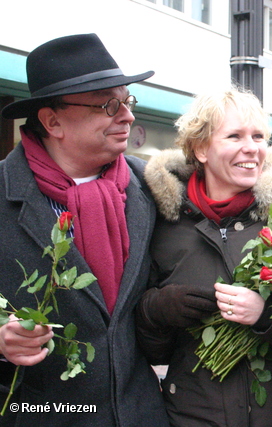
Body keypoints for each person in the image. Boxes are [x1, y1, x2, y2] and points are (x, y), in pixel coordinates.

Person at [0, 34, 169, 426]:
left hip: (141, 414)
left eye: (127, 101)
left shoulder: (154, 185)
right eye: (108, 104)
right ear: (52, 121)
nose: (126, 116)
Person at [135, 88, 272, 426]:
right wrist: (159, 309)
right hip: (193, 418)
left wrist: (265, 316)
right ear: (200, 148)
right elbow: (152, 350)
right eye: (235, 136)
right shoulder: (162, 222)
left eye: (258, 136)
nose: (251, 147)